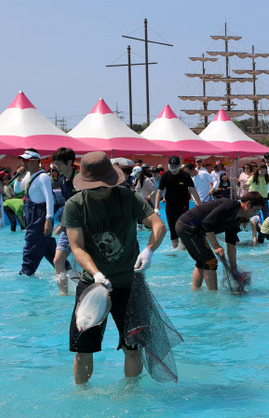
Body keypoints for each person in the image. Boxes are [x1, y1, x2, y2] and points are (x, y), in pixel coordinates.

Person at [63, 151, 166, 384]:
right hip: (92, 287)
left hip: (129, 285)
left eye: (103, 185)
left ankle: (131, 396)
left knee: (133, 347)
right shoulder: (75, 205)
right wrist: (97, 273)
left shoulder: (129, 198)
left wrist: (149, 250)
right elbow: (77, 247)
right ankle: (82, 398)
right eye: (93, 186)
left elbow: (158, 224)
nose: (99, 190)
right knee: (83, 349)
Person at [175, 191, 264, 290]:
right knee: (211, 262)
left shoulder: (235, 220)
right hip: (187, 226)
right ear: (248, 204)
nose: (256, 214)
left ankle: (196, 292)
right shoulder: (229, 206)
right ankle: (213, 299)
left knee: (202, 261)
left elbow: (231, 245)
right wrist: (216, 246)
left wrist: (234, 269)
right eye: (256, 211)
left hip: (194, 229)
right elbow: (207, 223)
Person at [14, 149, 57, 276]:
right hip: (32, 214)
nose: (24, 163)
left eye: (27, 160)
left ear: (36, 161)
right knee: (47, 246)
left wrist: (48, 220)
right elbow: (17, 190)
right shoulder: (28, 175)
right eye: (23, 160)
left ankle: (26, 272)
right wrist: (19, 176)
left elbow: (49, 199)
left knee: (32, 243)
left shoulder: (43, 177)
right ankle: (66, 268)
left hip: (40, 215)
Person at [154, 155, 200, 250]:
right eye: (171, 167)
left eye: (175, 167)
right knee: (172, 227)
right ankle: (175, 248)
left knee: (183, 226)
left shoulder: (185, 175)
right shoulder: (166, 175)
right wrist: (156, 206)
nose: (173, 169)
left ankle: (183, 247)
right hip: (170, 206)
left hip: (183, 205)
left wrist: (199, 203)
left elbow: (193, 190)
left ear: (179, 166)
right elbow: (159, 191)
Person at [51, 147, 78, 294]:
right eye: (55, 164)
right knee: (58, 260)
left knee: (81, 263)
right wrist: (61, 224)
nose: (57, 167)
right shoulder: (62, 180)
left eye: (59, 164)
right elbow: (67, 204)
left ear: (69, 163)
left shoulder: (79, 180)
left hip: (81, 228)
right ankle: (63, 293)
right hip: (67, 227)